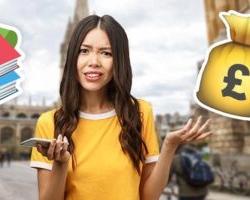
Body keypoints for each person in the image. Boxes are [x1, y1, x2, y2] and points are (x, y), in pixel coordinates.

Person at [30, 15, 212, 200]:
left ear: (119, 61)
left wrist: (169, 146)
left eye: (106, 53)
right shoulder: (49, 122)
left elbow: (149, 196)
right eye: (84, 51)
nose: (94, 61)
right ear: (71, 57)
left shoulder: (139, 113)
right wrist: (61, 163)